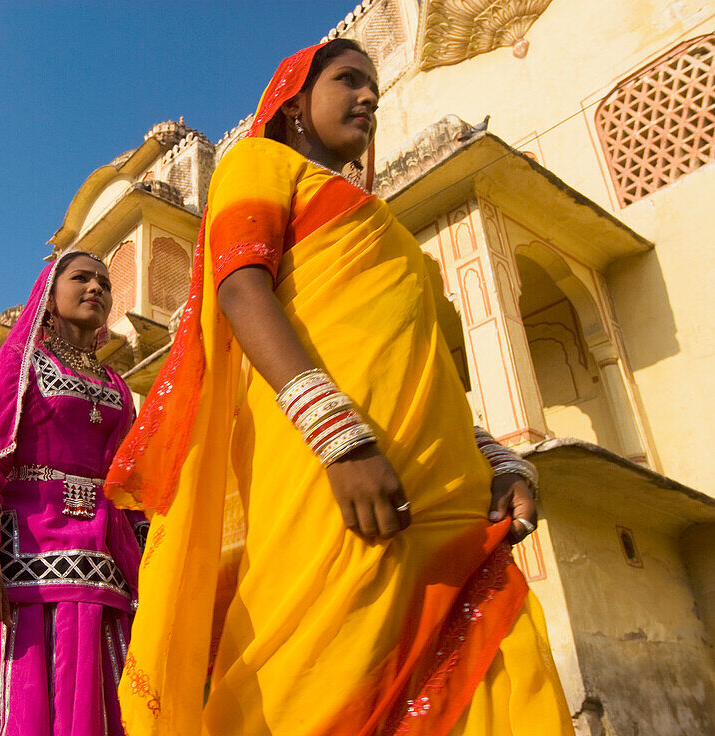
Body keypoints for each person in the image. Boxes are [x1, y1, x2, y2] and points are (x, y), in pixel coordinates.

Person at [105, 39, 575, 735]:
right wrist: (341, 442)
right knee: (321, 674)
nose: (368, 98)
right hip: (335, 472)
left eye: (375, 89)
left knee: (502, 669)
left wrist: (499, 462)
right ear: (293, 104)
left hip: (446, 494)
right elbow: (240, 290)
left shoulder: (378, 222)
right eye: (348, 81)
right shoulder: (258, 164)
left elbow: (419, 365)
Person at [0, 250, 146, 736]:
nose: (96, 288)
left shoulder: (116, 385)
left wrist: (151, 559)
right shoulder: (21, 368)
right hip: (27, 572)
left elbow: (127, 486)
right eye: (81, 279)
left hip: (105, 571)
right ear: (49, 298)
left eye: (105, 283)